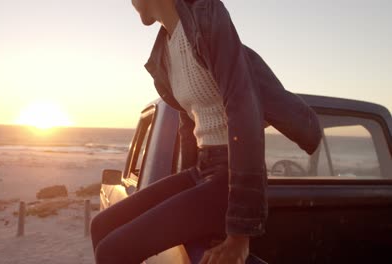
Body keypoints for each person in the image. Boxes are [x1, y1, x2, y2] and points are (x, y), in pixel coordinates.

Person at [90, 0, 321, 263]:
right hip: (203, 170)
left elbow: (243, 110)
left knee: (112, 252)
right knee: (100, 226)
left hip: (229, 175)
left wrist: (239, 235)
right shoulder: (165, 49)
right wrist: (189, 197)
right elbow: (188, 127)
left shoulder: (208, 14)